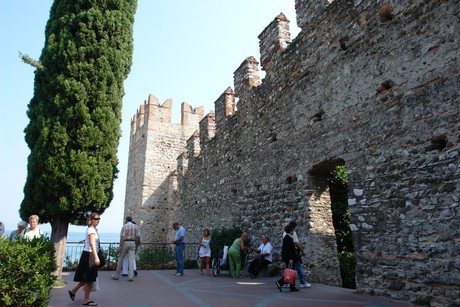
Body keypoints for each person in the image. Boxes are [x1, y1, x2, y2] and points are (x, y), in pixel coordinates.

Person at [69, 212, 101, 306]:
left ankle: (73, 291)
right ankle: (86, 300)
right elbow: (92, 244)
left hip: (87, 254)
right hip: (90, 255)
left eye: (99, 219)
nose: (98, 220)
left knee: (85, 278)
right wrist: (96, 257)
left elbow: (90, 241)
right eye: (95, 219)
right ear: (90, 220)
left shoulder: (93, 229)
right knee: (89, 279)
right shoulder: (91, 230)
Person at [283, 221, 311, 288]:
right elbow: (295, 243)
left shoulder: (284, 233)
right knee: (298, 268)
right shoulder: (292, 234)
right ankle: (302, 282)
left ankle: (287, 283)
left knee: (289, 268)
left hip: (288, 254)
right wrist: (302, 251)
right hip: (293, 253)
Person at [112, 216, 141, 281]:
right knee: (131, 259)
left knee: (121, 259)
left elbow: (122, 237)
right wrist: (136, 244)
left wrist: (120, 245)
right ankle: (130, 276)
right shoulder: (135, 227)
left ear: (126, 220)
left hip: (125, 242)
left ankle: (116, 275)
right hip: (133, 243)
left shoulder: (124, 226)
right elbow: (137, 236)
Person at [276, 224, 300, 292]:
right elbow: (288, 250)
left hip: (289, 258)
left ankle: (292, 287)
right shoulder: (288, 238)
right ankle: (280, 283)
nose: (293, 231)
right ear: (290, 230)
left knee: (291, 272)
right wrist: (290, 259)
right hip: (289, 258)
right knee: (290, 272)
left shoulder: (287, 237)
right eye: (293, 230)